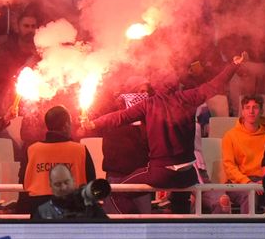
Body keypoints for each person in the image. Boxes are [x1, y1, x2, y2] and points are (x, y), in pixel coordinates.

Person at [84, 54, 243, 212]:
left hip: (161, 173)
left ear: (155, 85)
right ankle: (180, 228)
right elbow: (214, 85)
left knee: (115, 192)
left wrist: (93, 123)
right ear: (175, 84)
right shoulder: (189, 98)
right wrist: (234, 65)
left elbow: (120, 117)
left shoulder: (149, 104)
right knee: (181, 198)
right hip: (188, 174)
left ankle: (136, 227)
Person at [19, 105, 94, 217]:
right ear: (66, 125)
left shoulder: (32, 150)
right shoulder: (80, 150)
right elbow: (91, 182)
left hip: (39, 209)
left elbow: (23, 182)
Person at [219, 94, 265, 214]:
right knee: (250, 195)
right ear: (242, 111)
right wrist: (248, 183)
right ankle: (246, 231)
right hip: (239, 183)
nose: (251, 111)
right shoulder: (230, 136)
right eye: (247, 107)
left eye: (255, 107)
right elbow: (229, 167)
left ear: (261, 111)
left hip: (264, 181)